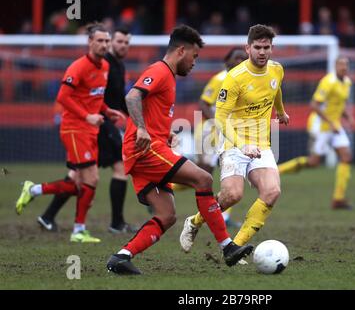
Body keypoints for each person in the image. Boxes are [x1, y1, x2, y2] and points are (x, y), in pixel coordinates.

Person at [106, 25, 253, 275]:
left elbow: (151, 109)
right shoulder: (160, 71)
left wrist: (165, 132)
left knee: (167, 215)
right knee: (203, 179)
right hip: (145, 149)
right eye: (194, 56)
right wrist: (142, 129)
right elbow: (132, 97)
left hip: (146, 149)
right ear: (181, 51)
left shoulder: (168, 77)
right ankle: (228, 247)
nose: (195, 63)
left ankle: (120, 257)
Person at [179, 24, 289, 257]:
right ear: (247, 48)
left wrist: (280, 111)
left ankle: (236, 248)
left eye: (266, 47)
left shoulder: (277, 70)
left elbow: (276, 89)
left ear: (271, 48)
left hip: (261, 144)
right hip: (233, 142)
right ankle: (195, 221)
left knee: (272, 192)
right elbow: (219, 117)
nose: (262, 52)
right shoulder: (234, 77)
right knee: (232, 196)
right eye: (257, 47)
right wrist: (241, 144)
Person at [15, 23, 125, 243]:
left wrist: (106, 110)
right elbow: (63, 97)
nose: (104, 44)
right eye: (100, 40)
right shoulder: (78, 67)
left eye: (106, 41)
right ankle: (77, 229)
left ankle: (37, 192)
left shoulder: (104, 66)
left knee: (80, 183)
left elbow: (95, 96)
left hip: (91, 129)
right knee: (91, 179)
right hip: (74, 128)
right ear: (90, 42)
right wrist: (87, 116)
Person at [37, 28, 137, 234]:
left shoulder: (112, 65)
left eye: (126, 42)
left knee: (78, 176)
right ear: (93, 42)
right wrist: (93, 115)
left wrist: (113, 112)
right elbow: (70, 96)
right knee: (118, 168)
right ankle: (113, 223)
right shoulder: (94, 64)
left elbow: (103, 97)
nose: (121, 46)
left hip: (100, 121)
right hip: (92, 125)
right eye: (118, 41)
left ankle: (47, 215)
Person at [173, 47, 248, 228]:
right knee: (203, 175)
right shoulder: (220, 79)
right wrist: (217, 122)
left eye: (243, 58)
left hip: (229, 134)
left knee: (229, 174)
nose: (240, 61)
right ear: (227, 62)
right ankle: (165, 188)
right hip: (209, 131)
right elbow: (203, 103)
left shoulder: (245, 81)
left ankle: (224, 216)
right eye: (236, 58)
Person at [278, 56, 355, 209]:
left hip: (335, 126)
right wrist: (330, 122)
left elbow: (339, 104)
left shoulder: (347, 82)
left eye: (346, 64)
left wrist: (349, 117)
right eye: (340, 64)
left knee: (346, 157)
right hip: (320, 126)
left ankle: (338, 199)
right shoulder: (328, 82)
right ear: (335, 65)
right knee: (314, 162)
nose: (343, 67)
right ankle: (276, 171)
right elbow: (314, 105)